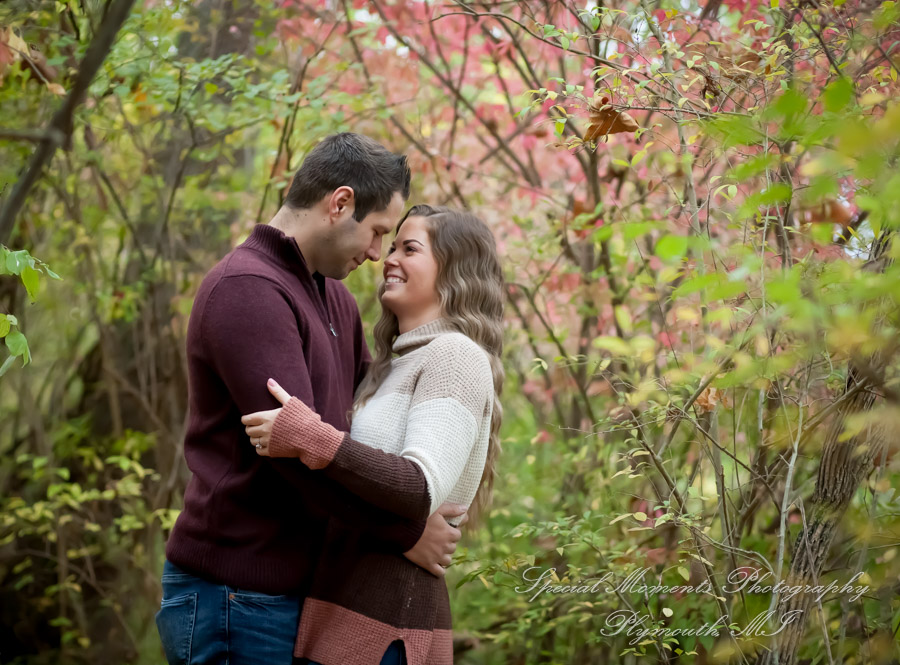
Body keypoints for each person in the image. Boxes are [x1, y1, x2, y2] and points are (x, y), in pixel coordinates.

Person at [157, 135, 467, 665]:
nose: (376, 254)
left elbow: (367, 423)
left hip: (298, 594)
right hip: (234, 594)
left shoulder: (334, 300)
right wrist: (406, 533)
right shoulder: (248, 289)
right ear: (339, 203)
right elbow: (296, 458)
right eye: (375, 233)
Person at [242, 205, 505, 665]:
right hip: (341, 612)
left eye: (410, 248)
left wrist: (312, 437)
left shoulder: (455, 356)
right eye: (391, 245)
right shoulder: (393, 365)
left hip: (389, 623)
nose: (388, 257)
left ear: (454, 269)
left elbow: (419, 487)